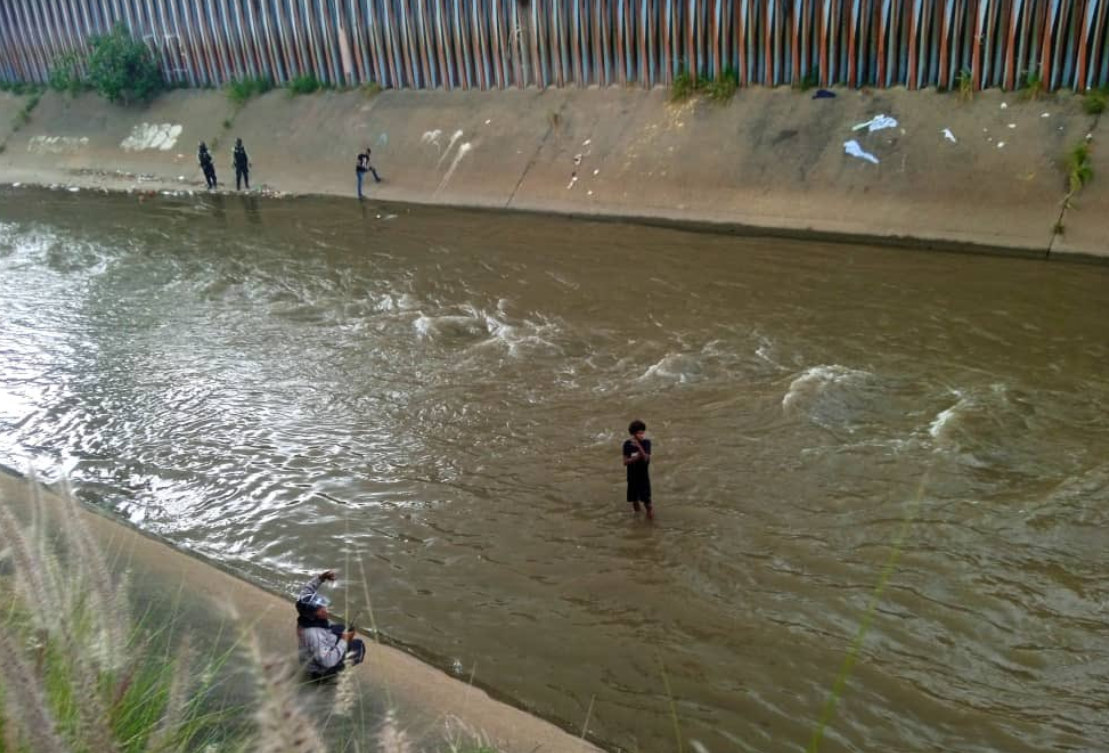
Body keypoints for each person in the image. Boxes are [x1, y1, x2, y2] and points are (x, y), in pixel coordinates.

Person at [295, 569, 366, 680]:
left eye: (322, 605)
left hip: (313, 650)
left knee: (342, 628)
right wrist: (344, 640)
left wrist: (321, 578)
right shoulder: (315, 634)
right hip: (320, 666)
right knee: (359, 646)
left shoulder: (304, 606)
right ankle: (322, 677)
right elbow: (327, 661)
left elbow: (307, 589)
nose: (324, 609)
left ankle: (335, 645)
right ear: (312, 616)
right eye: (319, 610)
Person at [622, 419, 653, 519]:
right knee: (634, 501)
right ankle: (638, 519)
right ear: (634, 434)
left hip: (643, 477)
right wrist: (635, 458)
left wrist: (639, 447)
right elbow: (625, 462)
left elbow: (646, 459)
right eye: (639, 433)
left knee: (648, 504)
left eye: (642, 432)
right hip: (632, 477)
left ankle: (650, 521)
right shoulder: (627, 444)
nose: (642, 435)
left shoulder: (646, 443)